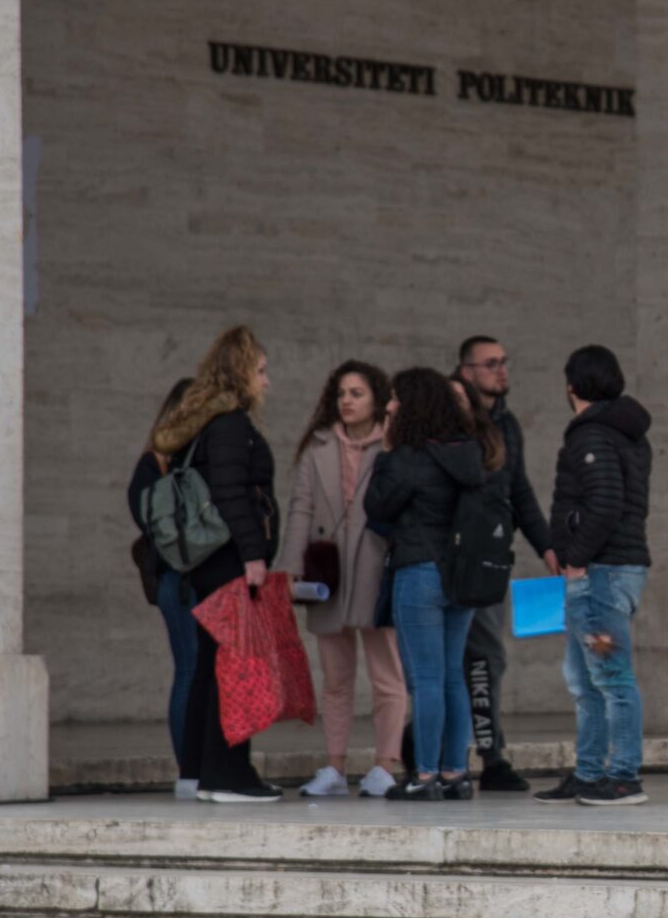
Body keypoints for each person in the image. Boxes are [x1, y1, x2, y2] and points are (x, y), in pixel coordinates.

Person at [146, 328, 282, 803]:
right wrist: (253, 555)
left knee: (208, 666)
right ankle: (229, 774)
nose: (266, 382)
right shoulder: (230, 425)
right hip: (227, 561)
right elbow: (231, 493)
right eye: (260, 371)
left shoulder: (204, 424)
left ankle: (201, 772)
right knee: (233, 668)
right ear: (241, 372)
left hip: (208, 564)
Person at [364, 367, 500, 801]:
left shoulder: (408, 457)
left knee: (424, 679)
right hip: (461, 576)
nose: (389, 405)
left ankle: (423, 775)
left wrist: (385, 454)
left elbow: (376, 508)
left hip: (420, 571)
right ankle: (455, 773)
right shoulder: (467, 453)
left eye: (395, 398)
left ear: (412, 405)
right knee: (452, 676)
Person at [533, 345, 654, 808]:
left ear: (572, 386)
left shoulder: (593, 435)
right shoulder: (624, 432)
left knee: (611, 677)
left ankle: (622, 777)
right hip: (607, 571)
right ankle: (589, 773)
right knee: (584, 680)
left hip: (600, 575)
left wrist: (577, 558)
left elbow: (604, 503)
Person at [281, 361, 406, 799]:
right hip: (327, 572)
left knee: (387, 676)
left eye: (357, 393)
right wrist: (290, 566)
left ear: (377, 398)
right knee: (335, 678)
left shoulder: (395, 444)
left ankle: (384, 766)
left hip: (376, 567)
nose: (347, 401)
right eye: (341, 394)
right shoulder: (318, 445)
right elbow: (301, 506)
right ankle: (334, 767)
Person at [452, 336, 554, 792]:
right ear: (467, 371)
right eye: (490, 363)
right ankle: (437, 756)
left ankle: (490, 756)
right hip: (452, 559)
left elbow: (519, 491)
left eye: (503, 362)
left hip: (489, 561)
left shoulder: (507, 423)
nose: (501, 370)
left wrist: (547, 546)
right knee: (445, 663)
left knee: (485, 657)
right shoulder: (451, 418)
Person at [128, 378, 199, 798]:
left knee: (196, 669)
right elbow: (153, 523)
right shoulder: (156, 464)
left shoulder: (178, 461)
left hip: (186, 579)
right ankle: (189, 769)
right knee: (191, 666)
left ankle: (196, 768)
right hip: (179, 579)